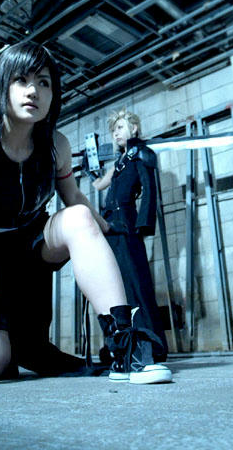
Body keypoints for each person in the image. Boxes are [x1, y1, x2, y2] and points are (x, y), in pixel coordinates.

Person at [0, 43, 171, 390]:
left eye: (44, 82)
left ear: (53, 94)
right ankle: (6, 346)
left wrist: (107, 226)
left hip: (32, 245)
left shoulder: (56, 146)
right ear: (1, 86)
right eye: (21, 80)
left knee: (79, 218)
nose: (33, 90)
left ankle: (124, 343)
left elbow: (74, 198)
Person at [93, 108, 169, 363]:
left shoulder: (142, 154)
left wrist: (143, 224)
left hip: (127, 225)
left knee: (136, 283)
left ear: (134, 128)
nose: (115, 134)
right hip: (109, 226)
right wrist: (91, 168)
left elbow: (149, 189)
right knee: (115, 285)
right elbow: (99, 185)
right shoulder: (120, 162)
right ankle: (122, 343)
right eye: (113, 130)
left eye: (120, 128)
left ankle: (151, 344)